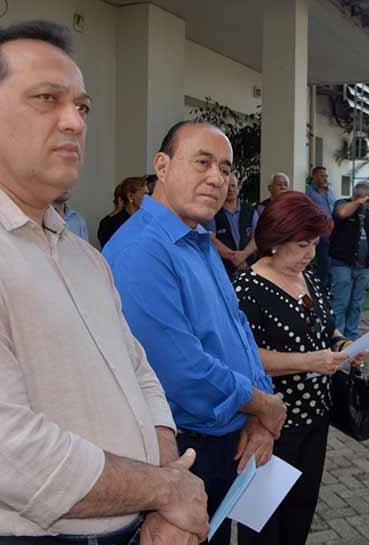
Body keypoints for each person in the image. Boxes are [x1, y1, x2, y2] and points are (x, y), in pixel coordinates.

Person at [0, 21, 210, 545]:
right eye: (46, 99)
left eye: (81, 106)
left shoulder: (83, 257)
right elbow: (6, 455)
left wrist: (163, 490)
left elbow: (140, 374)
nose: (73, 121)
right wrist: (166, 492)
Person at [104, 120, 285, 545]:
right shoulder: (142, 250)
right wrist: (263, 403)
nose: (216, 178)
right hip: (182, 454)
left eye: (225, 168)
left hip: (225, 439)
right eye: (202, 162)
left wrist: (261, 414)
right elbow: (182, 371)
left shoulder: (197, 240)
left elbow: (238, 333)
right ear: (162, 166)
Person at [234, 191, 367, 545]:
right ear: (275, 241)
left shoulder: (311, 279)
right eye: (301, 246)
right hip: (271, 424)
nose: (309, 255)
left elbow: (326, 330)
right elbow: (245, 358)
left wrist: (342, 345)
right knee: (261, 522)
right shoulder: (247, 287)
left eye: (314, 245)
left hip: (315, 418)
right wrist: (310, 361)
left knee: (300, 510)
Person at [329, 181, 369, 339]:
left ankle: (351, 342)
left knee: (356, 306)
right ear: (359, 195)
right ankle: (337, 341)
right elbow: (341, 214)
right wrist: (358, 202)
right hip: (342, 263)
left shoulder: (368, 211)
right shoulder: (343, 203)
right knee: (341, 304)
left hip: (363, 265)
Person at [205, 173, 259, 279]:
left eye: (233, 186)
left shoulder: (251, 211)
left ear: (238, 189)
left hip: (249, 266)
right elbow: (211, 240)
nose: (231, 189)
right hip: (223, 269)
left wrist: (243, 255)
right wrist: (233, 257)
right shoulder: (213, 211)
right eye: (227, 186)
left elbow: (257, 236)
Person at [305, 166, 336, 285]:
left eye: (326, 176)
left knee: (331, 263)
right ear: (314, 176)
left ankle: (328, 290)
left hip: (332, 231)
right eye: (322, 176)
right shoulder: (309, 192)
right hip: (319, 232)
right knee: (324, 263)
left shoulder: (330, 191)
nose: (325, 178)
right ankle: (320, 289)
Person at [97, 176, 146, 247]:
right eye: (144, 194)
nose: (148, 198)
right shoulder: (111, 223)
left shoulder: (146, 220)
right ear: (130, 196)